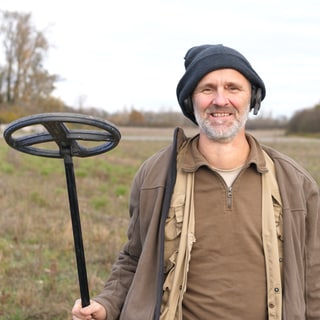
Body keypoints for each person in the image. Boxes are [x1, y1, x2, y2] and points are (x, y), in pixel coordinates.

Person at [72, 44, 320, 320]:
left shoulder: (294, 183)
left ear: (253, 97)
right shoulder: (156, 175)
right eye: (207, 89)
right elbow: (135, 258)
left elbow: (313, 274)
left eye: (233, 88)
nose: (220, 100)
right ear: (191, 101)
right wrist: (106, 304)